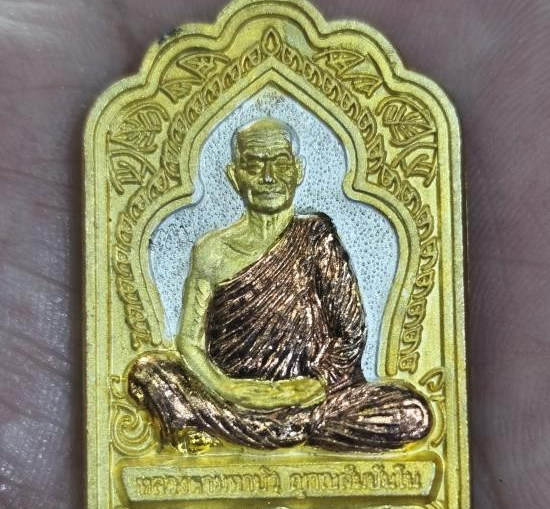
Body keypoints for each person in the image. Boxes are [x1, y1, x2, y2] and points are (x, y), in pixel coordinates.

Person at [129, 118, 430, 450]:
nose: (268, 177)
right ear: (234, 175)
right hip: (232, 402)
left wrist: (316, 386)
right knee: (149, 370)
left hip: (313, 401)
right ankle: (257, 428)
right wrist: (229, 389)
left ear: (297, 171)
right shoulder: (211, 251)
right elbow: (189, 343)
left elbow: (350, 332)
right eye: (254, 165)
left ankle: (240, 427)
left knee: (411, 412)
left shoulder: (316, 237)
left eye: (280, 163)